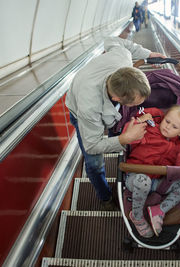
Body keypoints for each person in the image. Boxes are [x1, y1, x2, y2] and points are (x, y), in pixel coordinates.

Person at [65, 36, 165, 210]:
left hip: (103, 96)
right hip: (79, 109)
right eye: (134, 104)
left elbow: (112, 40)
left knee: (115, 127)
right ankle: (105, 197)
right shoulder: (89, 106)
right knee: (94, 163)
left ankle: (114, 134)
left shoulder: (122, 57)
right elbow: (92, 146)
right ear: (117, 98)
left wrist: (148, 53)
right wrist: (125, 139)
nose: (138, 107)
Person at [123, 105, 180, 237]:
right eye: (167, 121)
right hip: (136, 177)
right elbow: (127, 135)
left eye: (174, 127)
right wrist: (140, 121)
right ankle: (137, 216)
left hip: (158, 182)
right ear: (163, 118)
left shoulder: (178, 148)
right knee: (143, 181)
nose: (168, 127)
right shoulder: (149, 129)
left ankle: (159, 210)